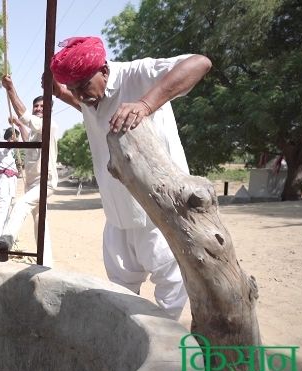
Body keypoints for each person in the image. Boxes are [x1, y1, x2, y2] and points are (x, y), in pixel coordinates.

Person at [49, 36, 212, 319]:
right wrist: (61, 91)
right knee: (122, 303)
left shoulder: (138, 73)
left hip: (160, 215)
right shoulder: (89, 97)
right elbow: (86, 105)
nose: (80, 95)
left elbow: (200, 62)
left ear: (103, 70)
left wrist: (145, 105)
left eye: (83, 86)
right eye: (73, 89)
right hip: (118, 218)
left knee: (169, 305)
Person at [0, 75, 59, 267]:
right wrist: (18, 124)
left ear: (49, 110)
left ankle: (6, 240)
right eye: (36, 107)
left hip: (45, 182)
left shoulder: (50, 125)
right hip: (32, 182)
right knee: (40, 223)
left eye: (42, 107)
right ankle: (46, 264)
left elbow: (26, 117)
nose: (38, 109)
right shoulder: (34, 131)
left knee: (20, 204)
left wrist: (11, 89)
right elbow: (27, 132)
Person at [0, 127, 20, 242]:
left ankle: (3, 237)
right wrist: (10, 144)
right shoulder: (1, 144)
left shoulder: (10, 151)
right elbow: (3, 151)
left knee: (8, 211)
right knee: (2, 211)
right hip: (4, 181)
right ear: (12, 136)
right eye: (16, 137)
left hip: (11, 182)